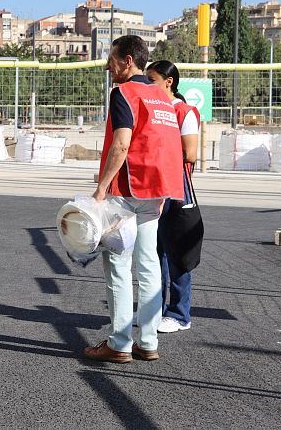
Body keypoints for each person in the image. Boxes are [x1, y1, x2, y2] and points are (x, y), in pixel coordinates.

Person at [84, 35, 184, 364]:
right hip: (155, 191)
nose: (107, 66)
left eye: (111, 60)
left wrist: (102, 187)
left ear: (128, 61)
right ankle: (149, 341)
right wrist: (164, 189)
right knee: (149, 264)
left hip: (127, 190)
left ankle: (119, 343)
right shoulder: (162, 97)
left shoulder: (124, 93)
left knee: (118, 264)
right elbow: (168, 144)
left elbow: (122, 143)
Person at [146, 60, 200, 334]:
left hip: (177, 188)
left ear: (168, 82)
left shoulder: (184, 111)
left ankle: (179, 314)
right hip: (155, 186)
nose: (147, 85)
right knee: (153, 252)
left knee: (177, 253)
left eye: (152, 80)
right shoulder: (154, 108)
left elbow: (191, 154)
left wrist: (161, 150)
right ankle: (155, 309)